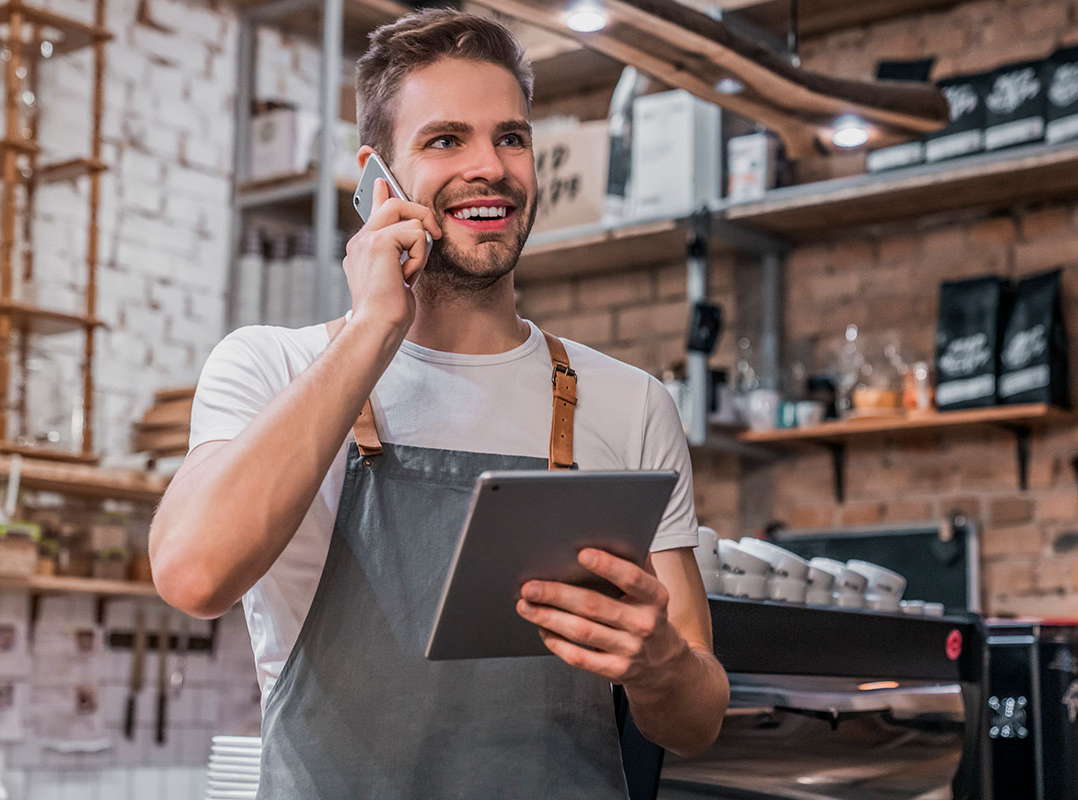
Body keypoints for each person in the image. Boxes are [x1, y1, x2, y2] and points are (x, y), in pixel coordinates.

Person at [149, 8, 728, 797]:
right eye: (445, 139)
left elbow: (694, 723)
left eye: (511, 137)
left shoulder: (630, 404)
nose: (490, 166)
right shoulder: (270, 366)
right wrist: (375, 327)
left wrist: (659, 663)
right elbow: (192, 574)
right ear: (375, 175)